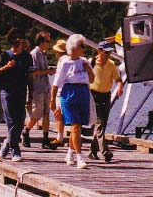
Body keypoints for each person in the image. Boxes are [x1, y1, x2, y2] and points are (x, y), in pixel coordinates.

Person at [50, 34, 94, 169]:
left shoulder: (84, 61)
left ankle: (70, 153)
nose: (84, 49)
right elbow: (56, 84)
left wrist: (88, 69)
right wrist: (52, 101)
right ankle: (80, 157)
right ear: (74, 48)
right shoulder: (65, 63)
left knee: (78, 127)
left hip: (83, 92)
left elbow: (92, 79)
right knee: (75, 126)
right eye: (82, 46)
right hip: (69, 93)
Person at [0, 28, 32, 162]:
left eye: (19, 40)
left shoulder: (27, 57)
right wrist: (6, 67)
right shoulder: (4, 55)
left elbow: (30, 77)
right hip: (7, 92)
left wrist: (31, 96)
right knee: (11, 120)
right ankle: (15, 149)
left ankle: (8, 141)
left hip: (21, 92)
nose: (17, 43)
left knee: (20, 121)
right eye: (14, 41)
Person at [89, 40, 124, 162]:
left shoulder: (111, 64)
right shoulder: (91, 63)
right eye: (106, 52)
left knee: (102, 124)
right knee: (100, 123)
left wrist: (119, 86)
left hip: (106, 95)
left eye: (110, 52)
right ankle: (105, 151)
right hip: (94, 95)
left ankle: (93, 151)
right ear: (99, 51)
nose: (108, 54)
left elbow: (118, 78)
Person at [22, 31, 56, 149]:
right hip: (37, 89)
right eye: (47, 41)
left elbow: (43, 70)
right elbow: (33, 72)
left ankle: (45, 140)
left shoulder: (44, 54)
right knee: (36, 115)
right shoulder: (34, 54)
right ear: (41, 41)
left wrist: (49, 70)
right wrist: (47, 71)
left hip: (46, 87)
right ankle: (26, 131)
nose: (49, 43)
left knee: (46, 114)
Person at [49, 39, 67, 149]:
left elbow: (57, 81)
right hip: (68, 91)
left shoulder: (61, 61)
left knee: (58, 114)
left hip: (60, 92)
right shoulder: (69, 59)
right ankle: (61, 137)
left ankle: (59, 138)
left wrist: (52, 97)